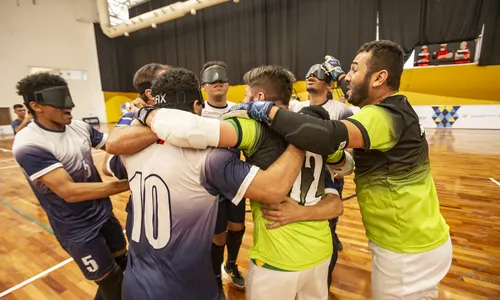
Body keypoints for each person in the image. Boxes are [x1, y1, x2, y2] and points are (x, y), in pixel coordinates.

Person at [222, 40, 453, 300]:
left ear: (379, 77)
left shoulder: (383, 116)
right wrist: (340, 73)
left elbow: (326, 135)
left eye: (354, 70)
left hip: (406, 250)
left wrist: (264, 109)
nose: (348, 79)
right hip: (420, 237)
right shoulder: (399, 107)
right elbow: (350, 95)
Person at [131, 65, 349, 299]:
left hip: (278, 258)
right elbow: (344, 169)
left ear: (259, 99)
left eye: (246, 96)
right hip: (320, 251)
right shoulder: (316, 134)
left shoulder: (251, 125)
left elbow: (190, 130)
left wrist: (146, 114)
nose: (243, 101)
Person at [12, 73, 130, 300]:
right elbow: (70, 192)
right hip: (76, 229)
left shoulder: (80, 127)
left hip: (104, 214)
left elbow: (115, 146)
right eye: (59, 99)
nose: (69, 105)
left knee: (122, 263)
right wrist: (128, 184)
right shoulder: (28, 143)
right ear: (36, 106)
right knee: (111, 279)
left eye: (68, 96)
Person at [290, 62, 355, 288]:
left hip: (329, 177)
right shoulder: (297, 108)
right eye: (308, 73)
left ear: (328, 85)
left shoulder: (340, 109)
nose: (310, 76)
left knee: (328, 226)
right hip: (304, 177)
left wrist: (338, 168)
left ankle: (322, 285)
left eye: (317, 75)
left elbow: (351, 144)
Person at [105, 63, 172, 244]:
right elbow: (108, 164)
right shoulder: (132, 117)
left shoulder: (183, 114)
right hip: (146, 208)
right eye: (168, 80)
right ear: (150, 93)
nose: (176, 83)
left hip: (183, 205)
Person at [199, 61, 245, 297]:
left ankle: (232, 264)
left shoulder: (240, 108)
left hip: (236, 179)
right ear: (204, 86)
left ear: (228, 83)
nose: (217, 82)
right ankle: (216, 277)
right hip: (210, 184)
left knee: (238, 227)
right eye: (212, 80)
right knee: (218, 234)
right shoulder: (197, 112)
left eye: (222, 79)